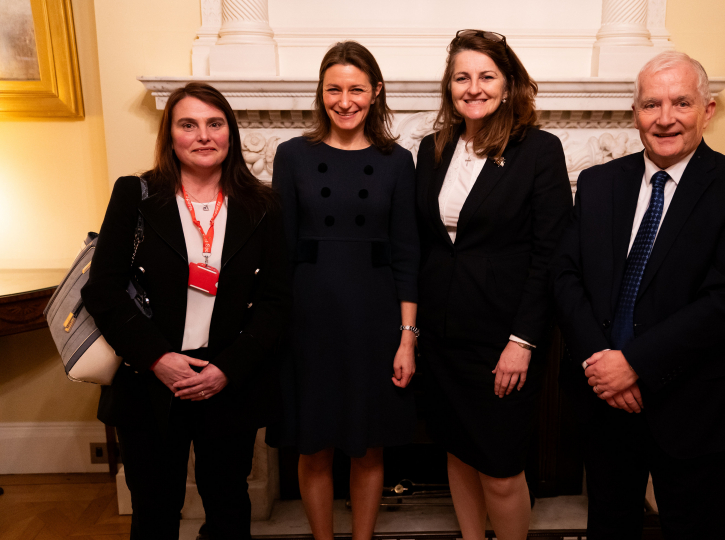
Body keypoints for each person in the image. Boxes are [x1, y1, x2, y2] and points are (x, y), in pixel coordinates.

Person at [552, 51, 725, 540]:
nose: (665, 118)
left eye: (681, 103)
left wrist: (633, 362)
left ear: (707, 110)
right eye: (651, 104)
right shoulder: (598, 183)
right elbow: (566, 276)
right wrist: (600, 362)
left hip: (697, 405)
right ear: (635, 113)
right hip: (606, 402)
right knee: (610, 527)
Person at [82, 82, 291, 540]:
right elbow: (103, 290)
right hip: (149, 383)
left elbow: (277, 300)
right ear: (170, 135)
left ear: (230, 134)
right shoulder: (135, 196)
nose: (203, 135)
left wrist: (227, 369)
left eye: (215, 124)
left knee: (230, 508)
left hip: (226, 384)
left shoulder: (263, 206)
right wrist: (158, 359)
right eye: (188, 124)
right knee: (154, 513)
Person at [414, 30, 572, 540]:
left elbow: (551, 254)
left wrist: (522, 342)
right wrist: (411, 332)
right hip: (442, 337)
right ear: (449, 87)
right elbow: (426, 244)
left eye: (486, 76)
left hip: (503, 340)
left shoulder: (539, 150)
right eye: (462, 77)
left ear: (508, 86)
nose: (473, 87)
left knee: (501, 470)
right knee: (459, 453)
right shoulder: (431, 150)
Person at [270, 41, 419, 540]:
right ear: (321, 92)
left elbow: (407, 254)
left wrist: (407, 337)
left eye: (357, 88)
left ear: (376, 93)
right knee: (313, 446)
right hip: (309, 318)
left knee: (367, 443)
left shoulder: (397, 161)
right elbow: (280, 252)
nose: (345, 100)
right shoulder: (292, 156)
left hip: (374, 320)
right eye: (334, 88)